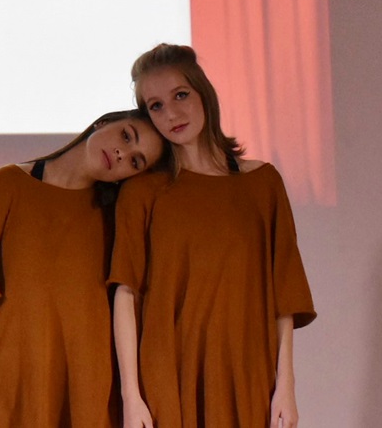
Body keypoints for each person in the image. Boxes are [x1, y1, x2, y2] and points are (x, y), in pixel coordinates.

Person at [110, 43, 315, 428]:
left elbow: (284, 296)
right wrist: (131, 396)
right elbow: (126, 292)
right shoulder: (142, 192)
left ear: (203, 92)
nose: (171, 114)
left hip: (246, 371)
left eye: (180, 95)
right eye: (155, 106)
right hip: (166, 376)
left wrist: (286, 386)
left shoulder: (262, 183)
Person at [0, 109, 167, 428]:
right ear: (103, 122)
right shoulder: (7, 184)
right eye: (126, 136)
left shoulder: (117, 220)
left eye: (135, 162)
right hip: (8, 389)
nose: (122, 153)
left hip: (87, 393)